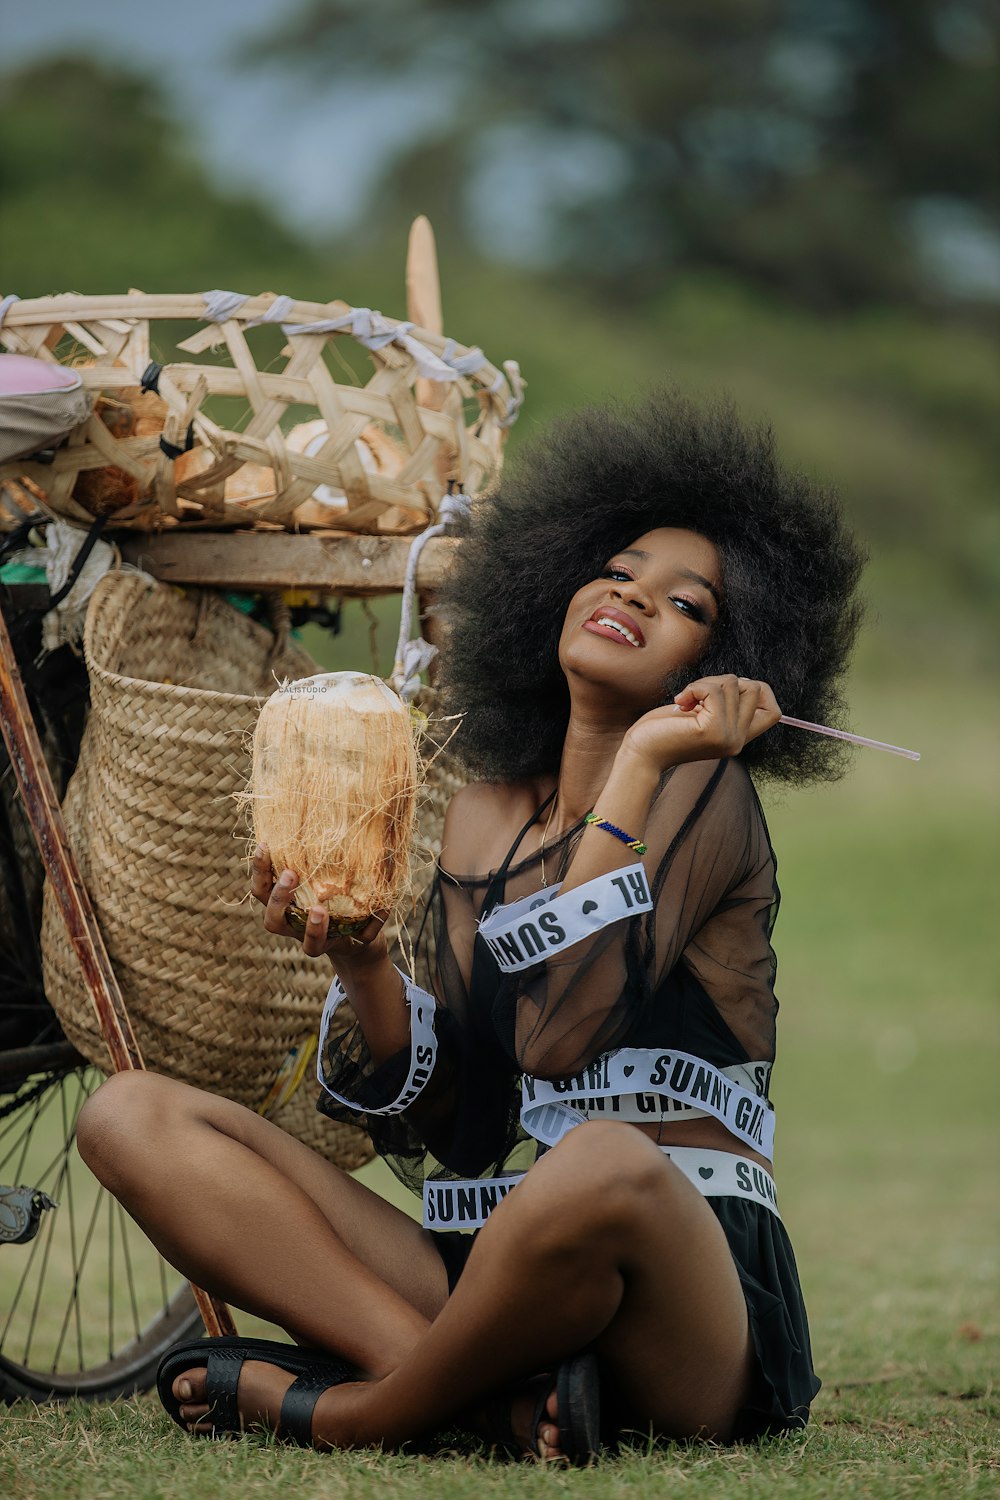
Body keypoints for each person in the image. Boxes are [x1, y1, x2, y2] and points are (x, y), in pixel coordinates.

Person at [77, 389, 865, 1461]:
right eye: (619, 569)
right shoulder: (486, 815)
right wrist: (364, 967)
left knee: (598, 1159)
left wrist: (639, 759)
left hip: (673, 1287)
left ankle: (363, 1411)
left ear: (724, 671)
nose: (631, 596)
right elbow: (456, 1123)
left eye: (687, 605)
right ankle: (474, 1401)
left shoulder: (697, 791)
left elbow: (556, 1036)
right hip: (488, 1263)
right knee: (130, 1117)